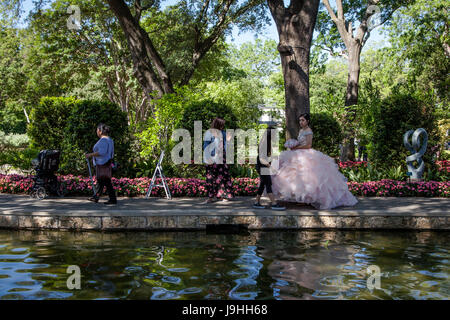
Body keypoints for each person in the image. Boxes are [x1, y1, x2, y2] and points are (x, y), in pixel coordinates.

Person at [271, 113, 358, 210]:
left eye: (303, 120)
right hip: (297, 152)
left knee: (309, 176)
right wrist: (293, 144)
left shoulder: (309, 131)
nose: (301, 122)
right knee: (293, 175)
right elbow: (300, 142)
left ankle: (311, 198)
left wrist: (296, 147)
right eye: (300, 120)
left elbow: (308, 145)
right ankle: (298, 197)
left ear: (307, 121)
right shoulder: (301, 130)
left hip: (306, 153)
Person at [253, 127, 286, 210]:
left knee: (263, 184)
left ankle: (256, 202)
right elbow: (262, 159)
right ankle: (274, 203)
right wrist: (270, 166)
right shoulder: (264, 143)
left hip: (262, 165)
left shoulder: (267, 142)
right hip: (262, 166)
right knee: (268, 183)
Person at [203, 117, 233, 203]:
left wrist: (228, 140)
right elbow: (205, 146)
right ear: (217, 125)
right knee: (210, 178)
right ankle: (210, 197)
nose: (223, 127)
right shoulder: (209, 133)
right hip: (212, 158)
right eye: (221, 125)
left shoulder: (223, 133)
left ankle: (222, 196)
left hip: (222, 158)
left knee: (223, 177)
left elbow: (227, 146)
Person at [85, 123, 117, 205]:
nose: (96, 132)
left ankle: (112, 199)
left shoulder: (103, 140)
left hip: (102, 163)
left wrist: (90, 154)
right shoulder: (110, 140)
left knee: (105, 181)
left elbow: (101, 152)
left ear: (100, 131)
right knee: (102, 181)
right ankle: (96, 196)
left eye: (97, 130)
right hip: (107, 162)